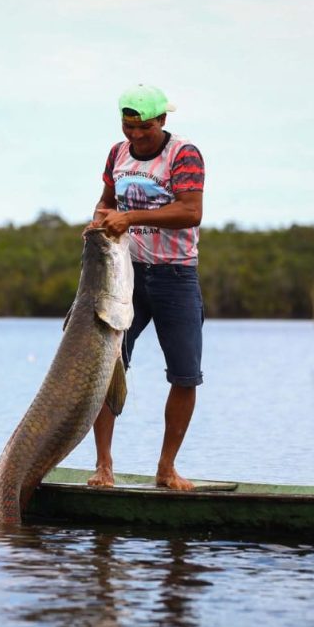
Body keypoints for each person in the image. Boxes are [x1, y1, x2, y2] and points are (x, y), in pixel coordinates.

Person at [86, 84, 205, 491]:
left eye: (145, 128)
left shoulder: (183, 154)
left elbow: (191, 212)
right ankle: (103, 466)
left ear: (163, 121)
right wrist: (99, 223)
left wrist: (131, 216)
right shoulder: (117, 154)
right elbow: (106, 204)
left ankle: (166, 469)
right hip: (126, 276)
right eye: (128, 126)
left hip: (175, 275)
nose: (135, 135)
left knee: (185, 374)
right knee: (107, 366)